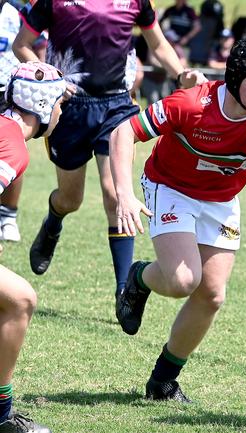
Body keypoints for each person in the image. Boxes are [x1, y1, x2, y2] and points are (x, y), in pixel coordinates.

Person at [109, 38, 246, 401]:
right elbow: (124, 131)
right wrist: (124, 193)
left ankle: (163, 382)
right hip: (171, 186)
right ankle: (139, 278)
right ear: (236, 78)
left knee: (211, 294)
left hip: (221, 198)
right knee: (182, 280)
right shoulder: (192, 104)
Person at [12, 0, 208, 296]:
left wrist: (182, 76)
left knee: (116, 194)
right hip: (68, 108)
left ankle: (122, 290)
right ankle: (53, 220)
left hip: (117, 106)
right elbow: (22, 45)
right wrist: (52, 79)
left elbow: (158, 43)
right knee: (70, 199)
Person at [0, 61, 68, 433]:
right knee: (20, 300)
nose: (61, 112)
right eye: (59, 103)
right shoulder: (13, 147)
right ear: (43, 106)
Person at [0, 0, 22, 243]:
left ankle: (8, 216)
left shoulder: (16, 11)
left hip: (7, 92)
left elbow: (37, 41)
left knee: (13, 152)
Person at [160, 0, 202, 68]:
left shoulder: (189, 11)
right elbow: (159, 22)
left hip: (183, 43)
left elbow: (197, 27)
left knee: (182, 64)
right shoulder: (171, 10)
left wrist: (186, 38)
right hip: (171, 41)